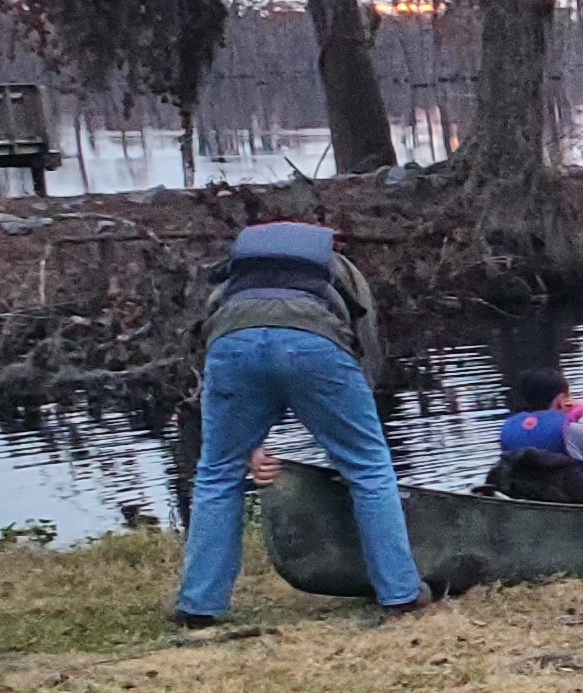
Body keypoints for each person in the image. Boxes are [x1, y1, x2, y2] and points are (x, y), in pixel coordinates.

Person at [172, 220, 422, 625]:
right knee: (369, 468)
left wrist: (244, 439)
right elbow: (366, 340)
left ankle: (199, 606)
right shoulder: (340, 271)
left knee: (218, 473)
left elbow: (210, 336)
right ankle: (400, 596)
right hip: (316, 344)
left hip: (231, 348)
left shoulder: (233, 281)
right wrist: (358, 414)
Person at [483, 365, 583, 505]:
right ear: (560, 400)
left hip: (520, 497)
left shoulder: (510, 428)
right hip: (568, 501)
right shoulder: (572, 430)